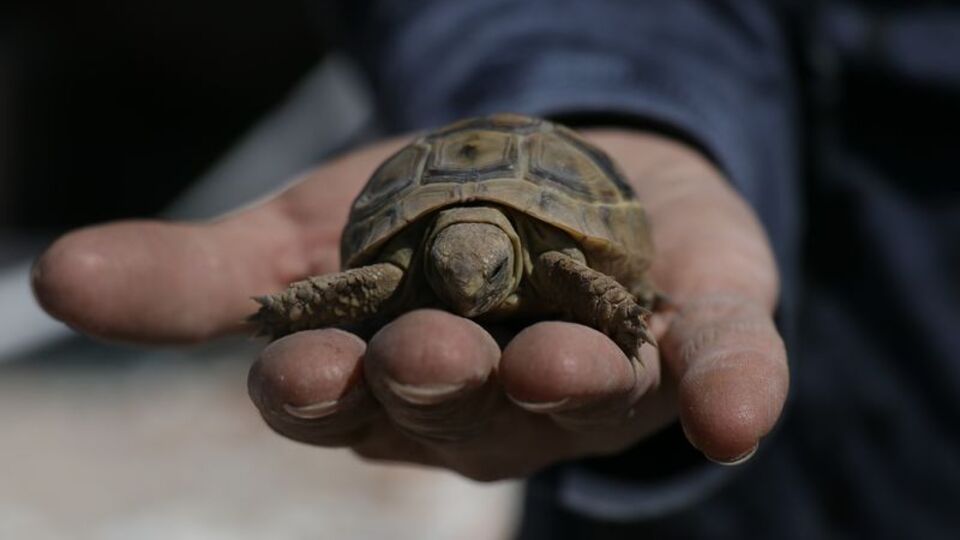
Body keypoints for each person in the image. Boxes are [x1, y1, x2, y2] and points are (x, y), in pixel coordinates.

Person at [32, 0, 960, 537]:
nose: (471, 295)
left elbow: (590, 283)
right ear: (434, 254)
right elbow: (370, 285)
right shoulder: (410, 269)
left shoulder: (553, 262)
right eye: (456, 276)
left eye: (482, 278)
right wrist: (301, 304)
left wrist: (619, 304)